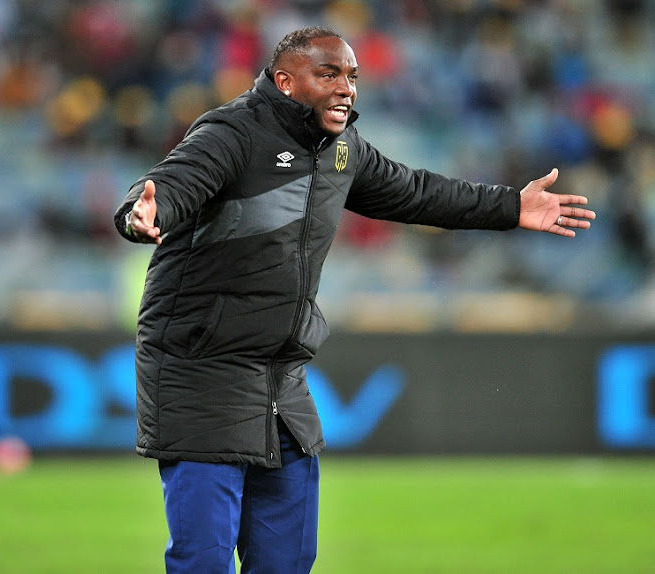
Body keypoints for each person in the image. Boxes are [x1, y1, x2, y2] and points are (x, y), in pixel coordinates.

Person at [113, 27, 595, 573]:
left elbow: (416, 192)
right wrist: (143, 212)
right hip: (200, 374)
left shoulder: (341, 150)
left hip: (280, 383)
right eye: (329, 74)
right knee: (203, 561)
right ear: (285, 81)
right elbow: (174, 181)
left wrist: (511, 207)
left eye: (352, 77)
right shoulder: (233, 131)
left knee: (289, 560)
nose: (347, 88)